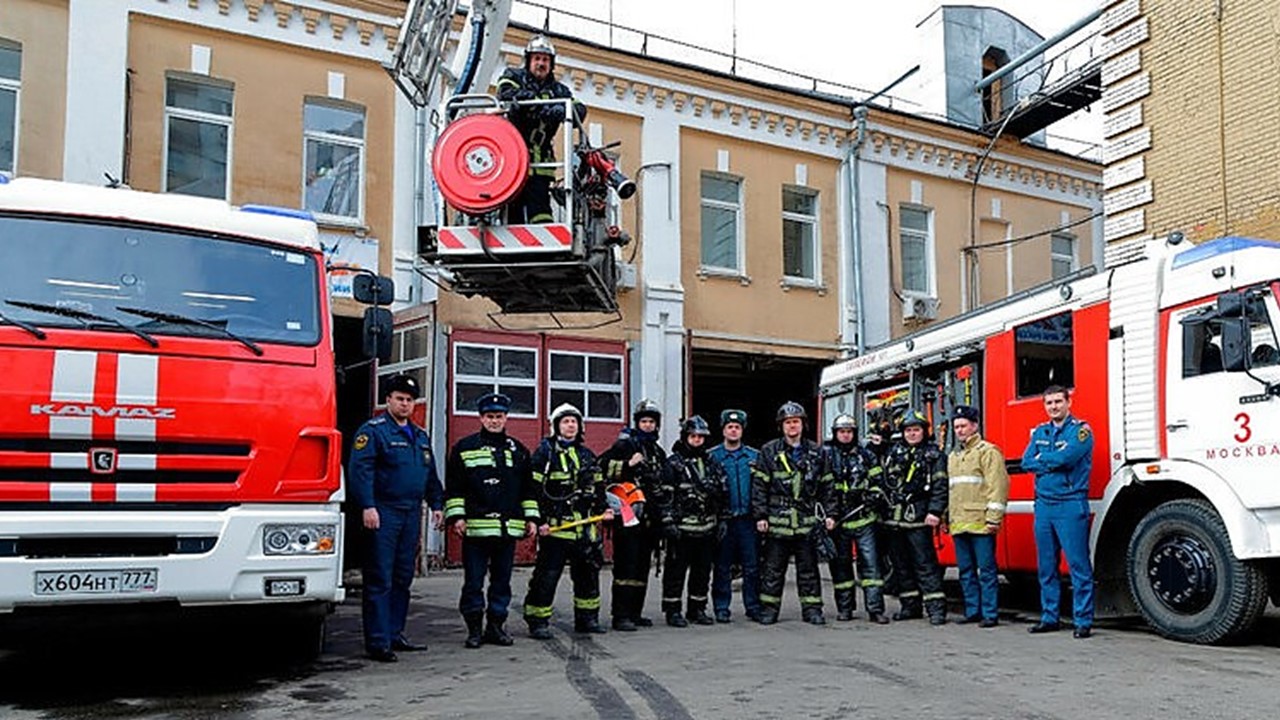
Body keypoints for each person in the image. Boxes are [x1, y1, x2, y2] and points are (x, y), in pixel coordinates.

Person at [348, 374, 444, 662]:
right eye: (400, 398)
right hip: (383, 511)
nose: (405, 404)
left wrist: (437, 504)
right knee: (380, 577)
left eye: (409, 400)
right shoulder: (374, 431)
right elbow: (359, 471)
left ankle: (394, 633)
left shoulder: (420, 435)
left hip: (411, 511)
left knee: (403, 576)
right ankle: (378, 642)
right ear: (388, 400)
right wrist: (367, 505)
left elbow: (430, 474)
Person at [444, 393, 539, 649]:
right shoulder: (464, 448)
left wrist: (531, 518)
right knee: (473, 582)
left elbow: (528, 490)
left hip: (507, 530)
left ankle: (496, 627)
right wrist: (457, 517)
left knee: (501, 582)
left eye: (499, 416)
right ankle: (474, 629)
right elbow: (455, 486)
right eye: (490, 416)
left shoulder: (518, 450)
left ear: (506, 418)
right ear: (481, 418)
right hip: (475, 529)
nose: (495, 421)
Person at [523, 403, 613, 639]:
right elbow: (533, 491)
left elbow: (600, 489)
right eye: (565, 421)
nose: (570, 425)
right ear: (556, 426)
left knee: (588, 576)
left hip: (585, 528)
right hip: (556, 529)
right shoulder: (545, 454)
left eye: (574, 421)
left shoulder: (587, 455)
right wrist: (539, 520)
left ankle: (587, 619)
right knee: (547, 577)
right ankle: (537, 620)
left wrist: (604, 510)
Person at [1021, 385, 1096, 639]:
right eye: (1049, 403)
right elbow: (1025, 461)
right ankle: (1049, 617)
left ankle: (1082, 621)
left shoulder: (1081, 431)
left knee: (1078, 566)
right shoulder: (1040, 432)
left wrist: (1044, 460)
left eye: (1057, 402)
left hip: (1070, 504)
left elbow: (1068, 459)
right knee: (1046, 567)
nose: (1053, 406)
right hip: (1043, 506)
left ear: (1068, 403)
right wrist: (1051, 458)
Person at [751, 401, 833, 626]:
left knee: (808, 569)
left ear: (803, 424)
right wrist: (760, 516)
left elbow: (827, 487)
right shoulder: (769, 451)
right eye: (787, 423)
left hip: (806, 521)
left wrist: (830, 514)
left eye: (795, 422)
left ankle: (812, 609)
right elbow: (759, 487)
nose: (792, 426)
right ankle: (769, 609)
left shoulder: (817, 452)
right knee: (773, 570)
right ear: (781, 426)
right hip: (778, 521)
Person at [494, 34, 586, 224]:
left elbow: (578, 110)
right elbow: (506, 93)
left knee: (541, 211)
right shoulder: (513, 76)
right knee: (513, 210)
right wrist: (544, 107)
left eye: (545, 60)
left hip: (541, 161)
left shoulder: (559, 90)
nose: (541, 63)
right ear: (528, 61)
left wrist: (559, 109)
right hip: (515, 157)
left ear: (551, 64)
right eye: (537, 58)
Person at [602, 399, 668, 631]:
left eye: (651, 422)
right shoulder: (625, 445)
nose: (648, 425)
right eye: (644, 421)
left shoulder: (657, 451)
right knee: (625, 567)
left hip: (648, 519)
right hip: (628, 517)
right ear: (637, 423)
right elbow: (603, 467)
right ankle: (621, 615)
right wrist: (628, 464)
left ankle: (636, 613)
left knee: (642, 567)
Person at [657, 415, 728, 627]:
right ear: (685, 437)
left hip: (707, 528)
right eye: (693, 436)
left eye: (701, 437)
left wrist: (722, 519)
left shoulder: (711, 462)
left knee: (702, 571)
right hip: (681, 529)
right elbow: (664, 497)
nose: (697, 440)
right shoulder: (673, 464)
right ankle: (673, 611)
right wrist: (668, 523)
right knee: (675, 573)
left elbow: (723, 493)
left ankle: (697, 609)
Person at [879, 410, 949, 625]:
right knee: (901, 566)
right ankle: (910, 606)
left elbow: (940, 486)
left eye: (916, 430)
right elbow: (884, 481)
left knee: (925, 564)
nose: (912, 434)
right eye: (908, 430)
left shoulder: (934, 455)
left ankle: (936, 610)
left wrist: (935, 511)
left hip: (919, 518)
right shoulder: (894, 452)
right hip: (894, 519)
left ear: (924, 432)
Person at [946, 404, 1010, 628]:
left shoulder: (988, 452)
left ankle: (990, 614)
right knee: (965, 571)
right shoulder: (954, 456)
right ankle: (972, 611)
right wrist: (948, 518)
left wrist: (994, 518)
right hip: (959, 523)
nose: (960, 430)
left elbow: (998, 486)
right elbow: (951, 490)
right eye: (956, 427)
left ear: (974, 426)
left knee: (987, 571)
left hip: (981, 523)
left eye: (963, 426)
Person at [824, 414, 891, 624]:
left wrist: (873, 495)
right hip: (840, 521)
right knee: (841, 566)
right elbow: (823, 488)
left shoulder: (867, 455)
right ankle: (845, 608)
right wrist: (831, 514)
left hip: (864, 519)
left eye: (849, 431)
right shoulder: (826, 456)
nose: (845, 435)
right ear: (835, 434)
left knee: (871, 566)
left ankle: (875, 609)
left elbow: (879, 479)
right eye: (842, 432)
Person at [708, 409, 763, 623]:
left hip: (748, 520)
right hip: (725, 520)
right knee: (722, 566)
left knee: (752, 566)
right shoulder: (712, 456)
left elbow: (761, 488)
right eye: (730, 427)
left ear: (742, 430)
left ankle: (753, 606)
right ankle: (721, 607)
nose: (733, 430)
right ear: (723, 430)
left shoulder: (754, 456)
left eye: (737, 427)